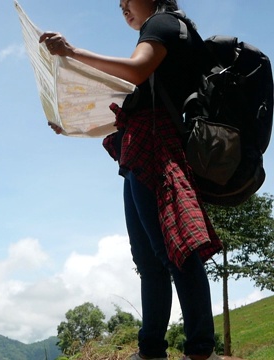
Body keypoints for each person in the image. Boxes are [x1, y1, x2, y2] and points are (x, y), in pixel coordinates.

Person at [39, 1, 223, 360]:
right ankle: (151, 349)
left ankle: (201, 350)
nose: (123, 8)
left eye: (128, 0)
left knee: (176, 252)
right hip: (140, 151)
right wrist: (72, 126)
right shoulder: (164, 31)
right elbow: (131, 111)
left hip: (156, 148)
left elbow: (136, 71)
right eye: (119, 5)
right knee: (150, 260)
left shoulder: (164, 24)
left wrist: (72, 51)